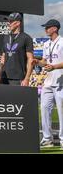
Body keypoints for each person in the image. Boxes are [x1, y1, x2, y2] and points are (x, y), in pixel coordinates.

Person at [33, 19, 63, 148]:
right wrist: (37, 62)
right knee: (44, 109)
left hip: (60, 80)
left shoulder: (62, 42)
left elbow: (54, 64)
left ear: (55, 28)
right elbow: (45, 61)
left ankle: (62, 139)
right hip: (48, 81)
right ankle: (47, 138)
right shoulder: (46, 44)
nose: (45, 29)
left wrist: (55, 67)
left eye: (48, 27)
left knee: (61, 112)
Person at [0, 13, 34, 86]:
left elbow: (30, 59)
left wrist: (27, 78)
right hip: (4, 77)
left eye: (11, 21)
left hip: (18, 78)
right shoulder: (6, 37)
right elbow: (3, 57)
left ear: (18, 23)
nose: (8, 24)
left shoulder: (26, 38)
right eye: (8, 21)